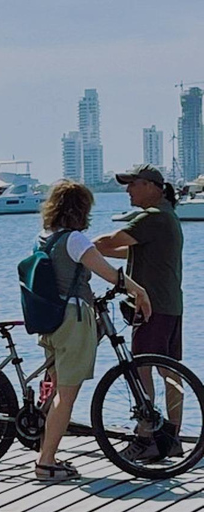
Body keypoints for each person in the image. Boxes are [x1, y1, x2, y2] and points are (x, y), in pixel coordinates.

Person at [33, 180, 151, 481]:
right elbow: (112, 275)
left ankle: (46, 453)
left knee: (57, 388)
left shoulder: (45, 238)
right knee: (66, 395)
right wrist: (139, 292)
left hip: (52, 320)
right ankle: (46, 464)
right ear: (81, 209)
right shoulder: (75, 240)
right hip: (73, 321)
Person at [93, 164, 184, 460]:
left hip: (151, 307)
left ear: (151, 187)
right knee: (170, 371)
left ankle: (146, 437)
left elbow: (111, 242)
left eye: (133, 184)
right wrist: (98, 252)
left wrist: (81, 248)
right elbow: (127, 250)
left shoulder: (153, 217)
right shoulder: (167, 216)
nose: (128, 190)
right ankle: (172, 437)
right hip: (170, 304)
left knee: (142, 369)